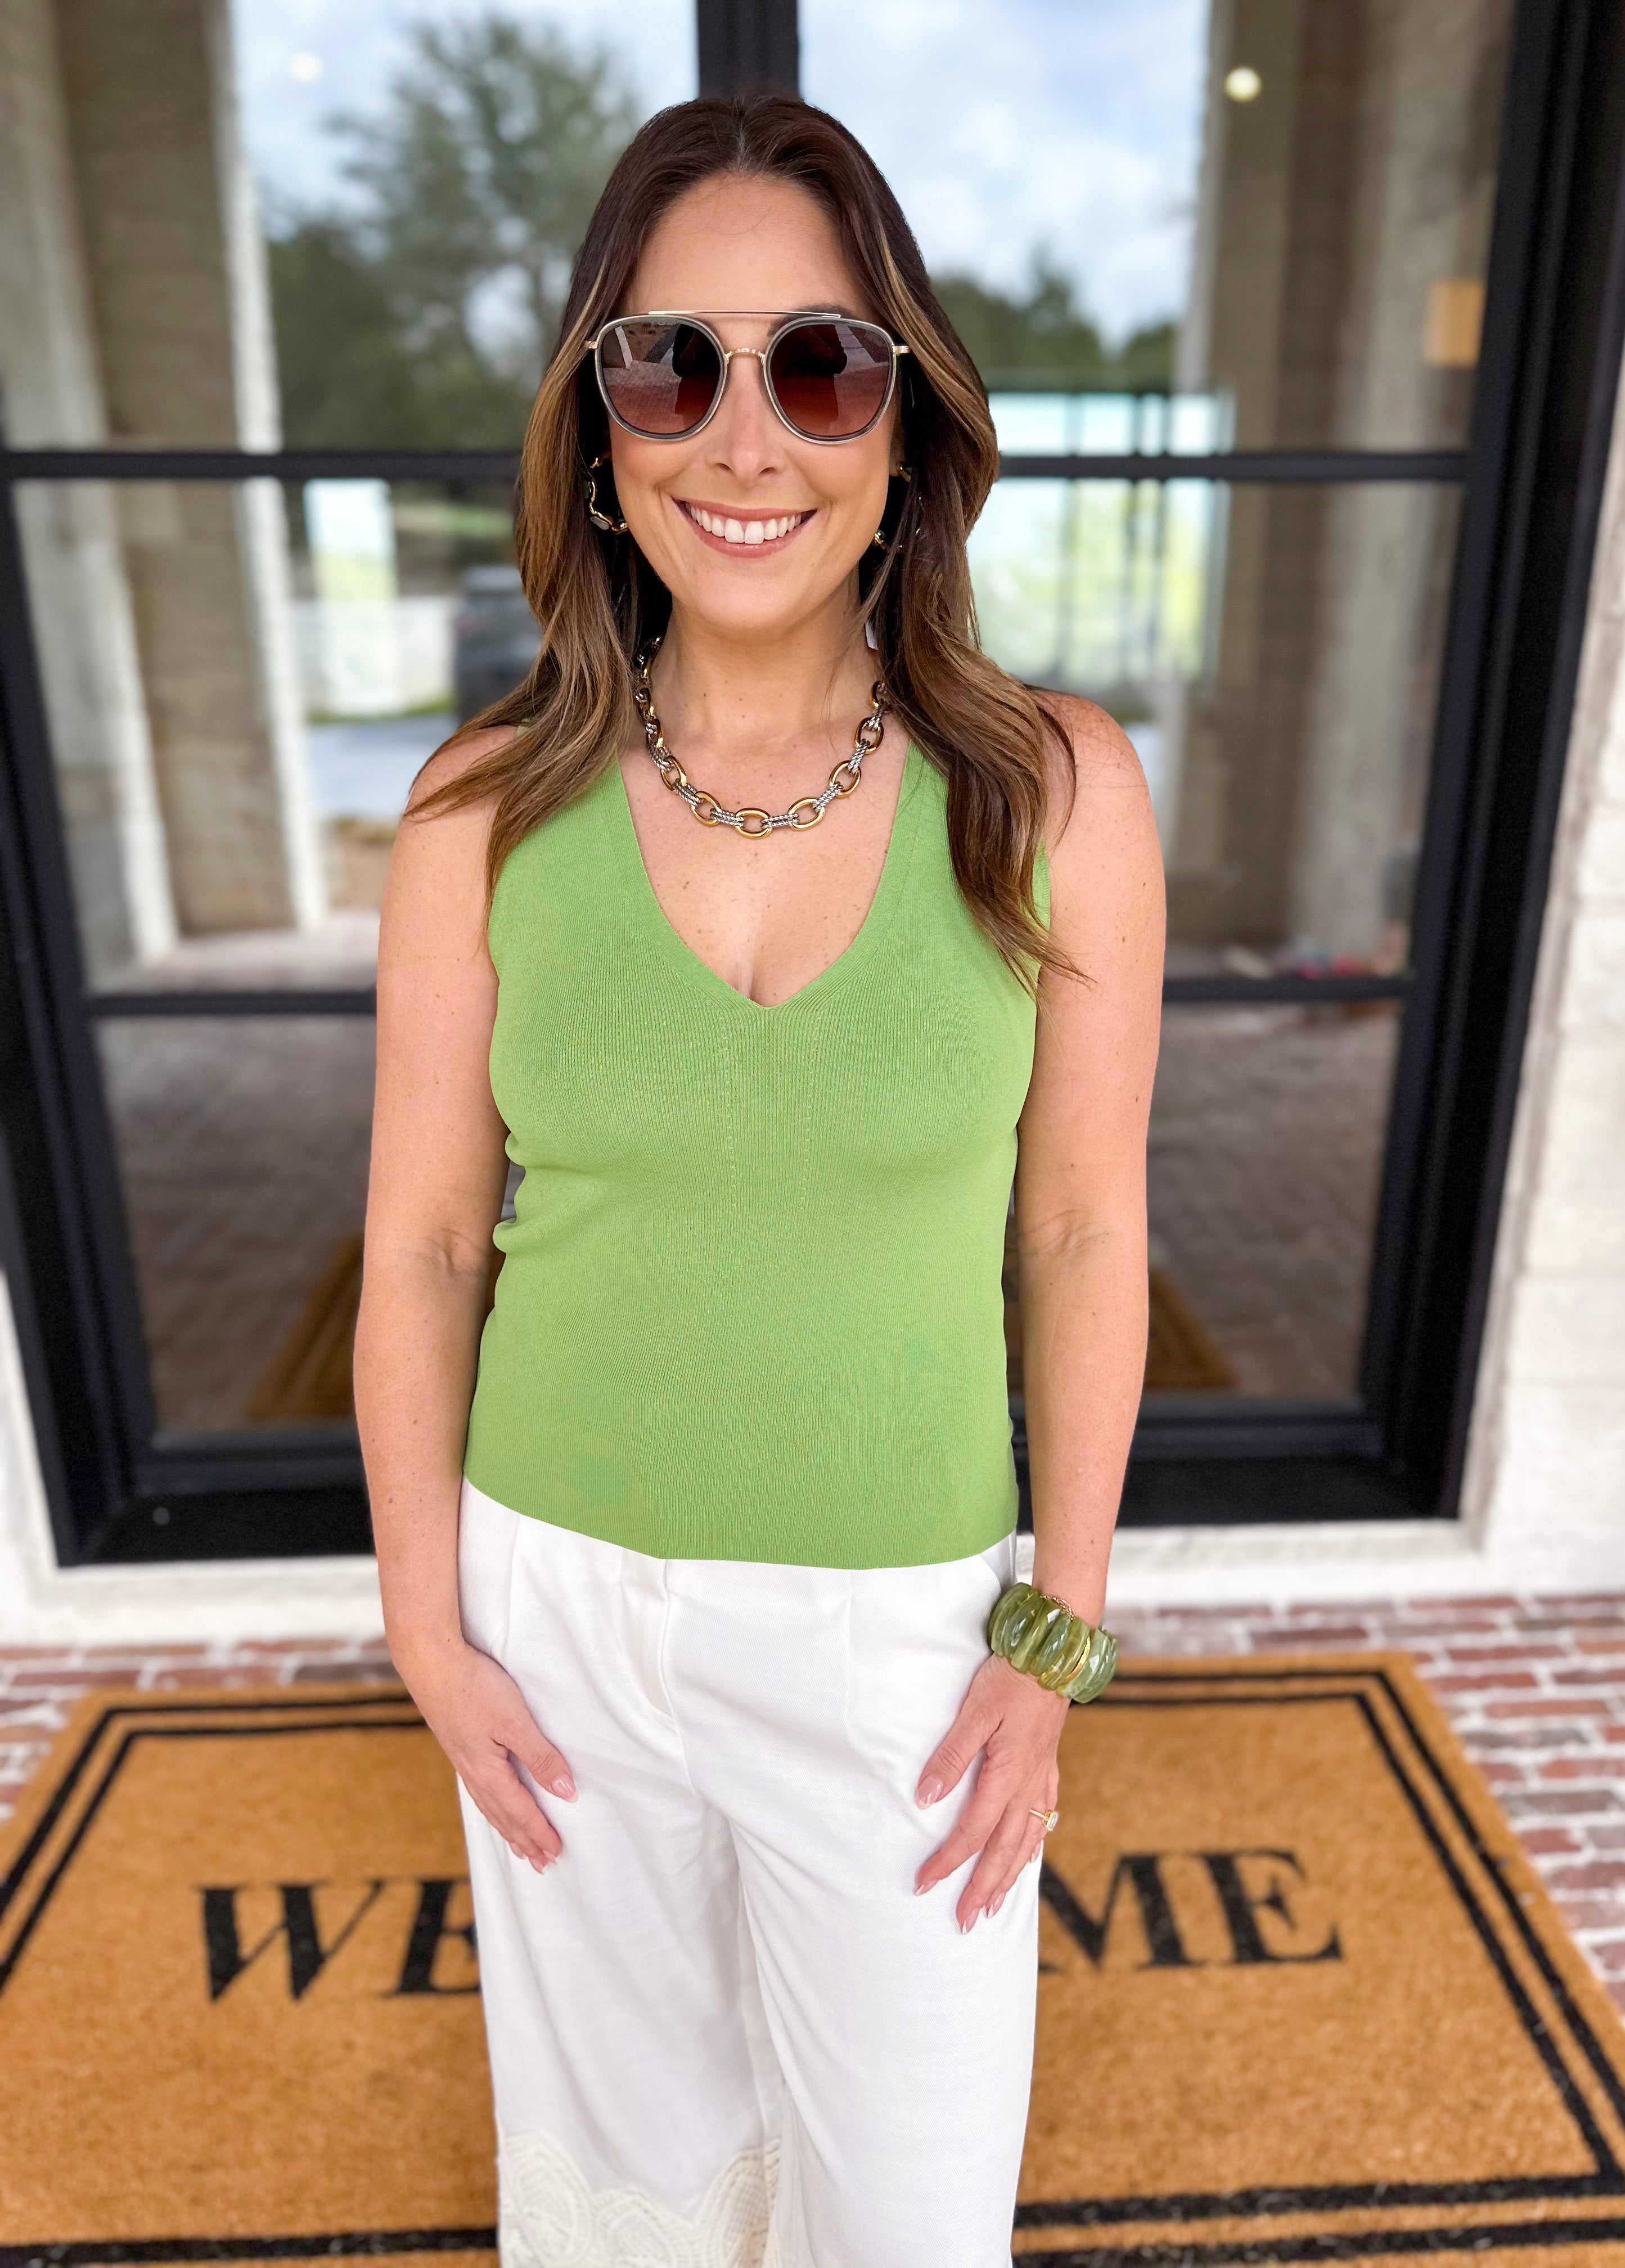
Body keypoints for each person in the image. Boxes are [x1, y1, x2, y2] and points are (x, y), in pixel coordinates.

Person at [354, 91, 1163, 2268]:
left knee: (906, 2217)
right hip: (553, 1609)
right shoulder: (475, 809)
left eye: (816, 365)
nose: (742, 440)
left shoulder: (1053, 792)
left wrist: (1055, 1637)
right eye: (667, 365)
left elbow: (1084, 1227)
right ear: (597, 426)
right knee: (619, 2207)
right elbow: (419, 1242)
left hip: (904, 1635)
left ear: (904, 422)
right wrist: (425, 1624)